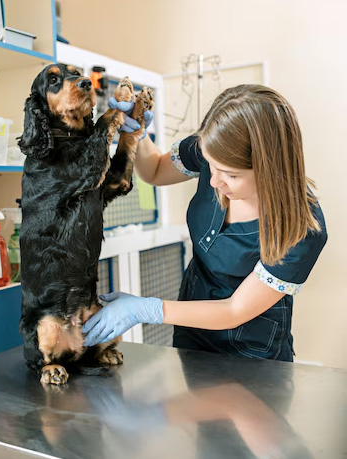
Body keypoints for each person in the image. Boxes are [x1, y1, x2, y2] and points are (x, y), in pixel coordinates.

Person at [83, 84, 327, 361]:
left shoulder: (301, 228)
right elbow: (154, 171)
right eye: (210, 165)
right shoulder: (212, 148)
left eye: (230, 175)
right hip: (191, 330)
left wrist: (146, 309)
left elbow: (235, 309)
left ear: (269, 167)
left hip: (252, 349)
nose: (213, 181)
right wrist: (138, 133)